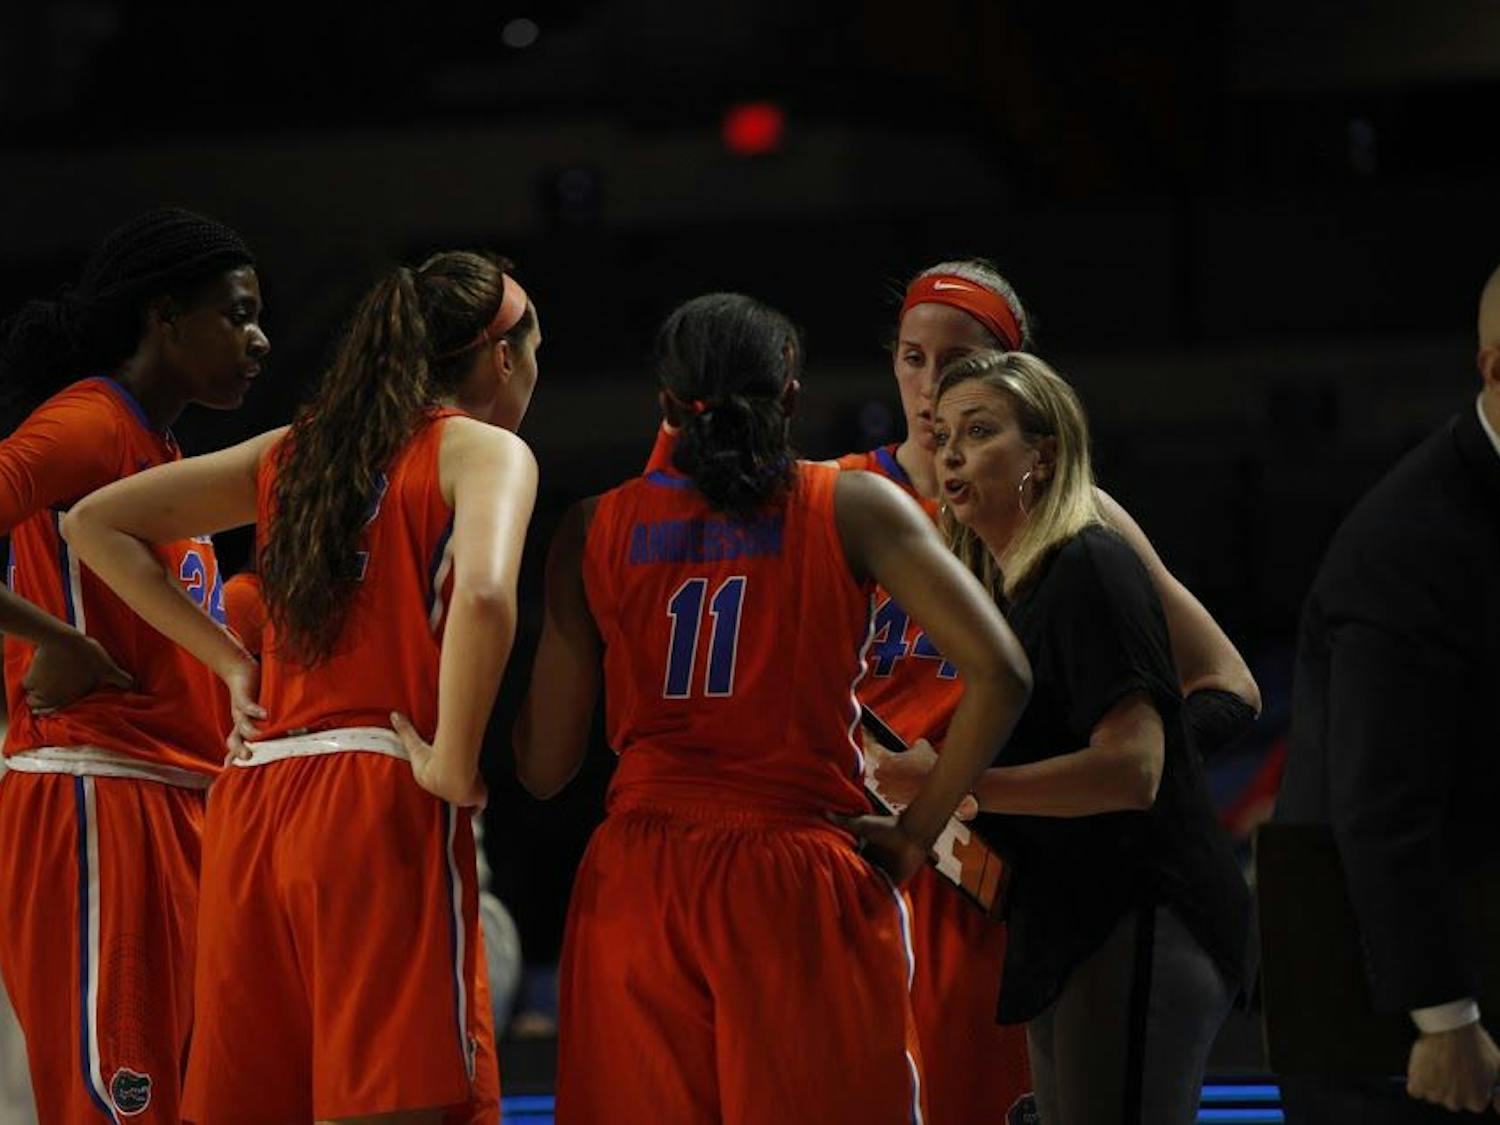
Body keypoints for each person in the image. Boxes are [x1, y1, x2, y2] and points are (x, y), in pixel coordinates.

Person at [642, 257, 1260, 1122]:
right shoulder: (834, 497)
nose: (930, 389)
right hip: (865, 870)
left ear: (1016, 379)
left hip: (1006, 882)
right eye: (912, 358)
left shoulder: (1074, 519)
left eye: (959, 360)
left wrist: (1124, 786)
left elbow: (1225, 683)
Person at [514, 292, 1033, 1125]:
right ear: (791, 396)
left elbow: (542, 769)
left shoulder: (589, 528)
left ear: (664, 402)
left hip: (636, 885)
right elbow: (1003, 673)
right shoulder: (851, 503)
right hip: (791, 871)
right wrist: (912, 833)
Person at [62, 250, 540, 1125]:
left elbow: (94, 521)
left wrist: (234, 663)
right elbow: (483, 593)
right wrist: (452, 761)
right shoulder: (484, 449)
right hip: (371, 794)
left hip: (253, 808)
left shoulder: (295, 449)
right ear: (503, 359)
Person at [883, 349, 1252, 1125]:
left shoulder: (1087, 561)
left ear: (1043, 455)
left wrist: (955, 785)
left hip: (1136, 914)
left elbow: (1133, 769)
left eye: (978, 431)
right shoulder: (1016, 587)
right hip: (1075, 920)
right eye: (943, 434)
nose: (950, 452)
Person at [0, 207, 267, 1124]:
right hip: (92, 793)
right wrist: (54, 639)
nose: (260, 339)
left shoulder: (165, 456)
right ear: (164, 317)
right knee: (111, 1107)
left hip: (176, 800)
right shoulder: (87, 423)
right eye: (238, 314)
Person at [1274, 265, 1500, 1120]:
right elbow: (1381, 804)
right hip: (1393, 1033)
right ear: (1494, 369)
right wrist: (1446, 1018)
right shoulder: (1411, 539)